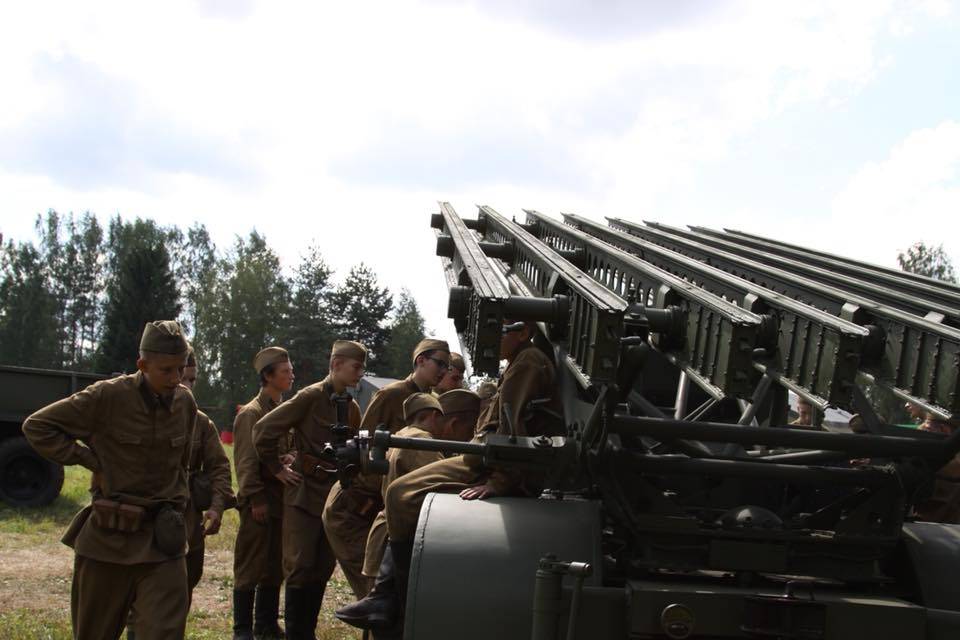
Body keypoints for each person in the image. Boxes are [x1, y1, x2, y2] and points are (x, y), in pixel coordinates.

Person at [337, 321, 560, 630]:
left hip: (485, 462)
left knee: (401, 495)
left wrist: (499, 481)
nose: (492, 335)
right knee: (399, 493)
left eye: (502, 327)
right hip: (480, 458)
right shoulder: (519, 361)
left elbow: (514, 427)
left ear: (523, 333)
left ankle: (395, 599)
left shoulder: (528, 362)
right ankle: (386, 596)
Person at [22, 321, 196, 640]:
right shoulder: (107, 396)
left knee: (165, 632)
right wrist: (90, 460)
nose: (176, 378)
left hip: (162, 543)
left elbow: (182, 464)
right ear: (142, 365)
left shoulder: (185, 403)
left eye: (181, 369)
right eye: (166, 370)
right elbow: (37, 426)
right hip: (108, 541)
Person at [253, 340, 366, 639]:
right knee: (300, 566)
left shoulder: (352, 408)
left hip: (332, 497)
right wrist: (276, 469)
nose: (360, 373)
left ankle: (307, 633)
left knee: (322, 567)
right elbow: (263, 430)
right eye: (356, 367)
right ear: (336, 365)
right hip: (303, 495)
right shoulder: (310, 396)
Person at [342, 389, 481, 631]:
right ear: (436, 417)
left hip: (384, 538)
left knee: (381, 625)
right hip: (396, 543)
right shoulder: (422, 443)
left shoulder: (403, 434)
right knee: (395, 626)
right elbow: (442, 491)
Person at [322, 339, 450, 599]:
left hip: (383, 507)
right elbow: (362, 447)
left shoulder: (433, 403)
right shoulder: (391, 395)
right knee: (374, 591)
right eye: (440, 364)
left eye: (447, 367)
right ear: (421, 360)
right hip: (353, 506)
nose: (443, 371)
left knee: (388, 589)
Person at [126, 345, 235, 639]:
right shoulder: (137, 414)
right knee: (139, 605)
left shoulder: (201, 423)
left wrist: (217, 507)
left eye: (191, 379)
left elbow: (220, 468)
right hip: (140, 525)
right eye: (180, 376)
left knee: (179, 598)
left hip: (184, 527)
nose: (183, 383)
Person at [232, 347, 295, 640]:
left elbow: (291, 447)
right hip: (260, 501)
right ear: (268, 376)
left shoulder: (283, 411)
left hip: (281, 500)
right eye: (285, 371)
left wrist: (291, 457)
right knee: (250, 564)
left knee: (274, 564)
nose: (292, 375)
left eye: (291, 370)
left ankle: (266, 624)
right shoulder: (252, 414)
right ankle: (242, 629)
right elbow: (245, 462)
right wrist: (255, 498)